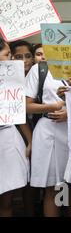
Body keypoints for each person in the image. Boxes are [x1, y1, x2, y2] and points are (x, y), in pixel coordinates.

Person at [25, 60, 71, 217]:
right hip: (49, 129)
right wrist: (53, 107)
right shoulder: (40, 69)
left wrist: (70, 113)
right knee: (54, 187)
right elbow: (26, 105)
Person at [0, 39, 32, 217]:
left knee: (7, 199)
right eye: (6, 55)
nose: (11, 58)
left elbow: (17, 112)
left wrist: (30, 141)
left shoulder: (11, 78)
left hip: (7, 138)